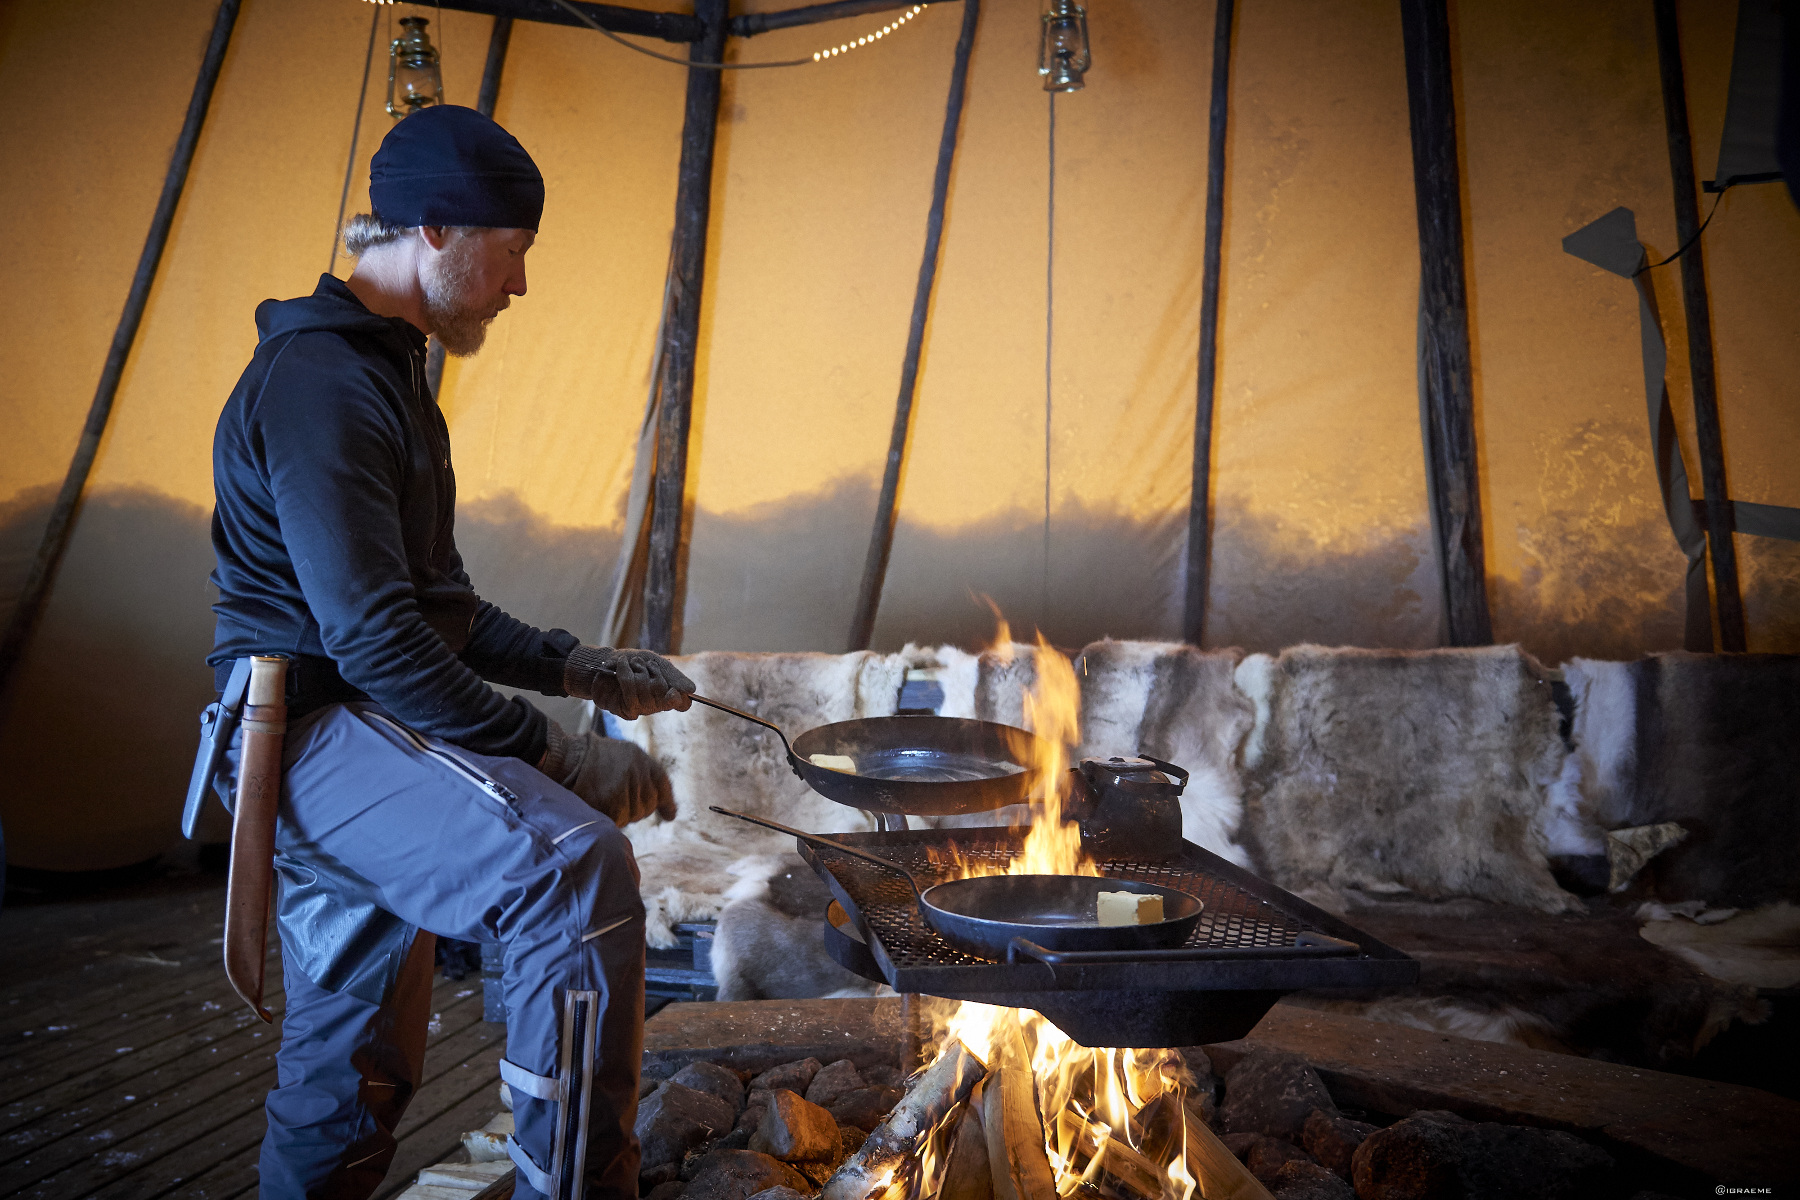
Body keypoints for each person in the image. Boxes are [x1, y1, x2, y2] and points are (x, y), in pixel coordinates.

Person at [202, 105, 692, 1200]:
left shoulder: (388, 378)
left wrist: (582, 668)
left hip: (352, 727)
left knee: (356, 1050)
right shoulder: (325, 384)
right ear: (435, 230)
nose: (519, 285)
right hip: (314, 731)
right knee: (573, 869)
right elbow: (374, 638)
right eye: (512, 252)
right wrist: (560, 756)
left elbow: (439, 612)